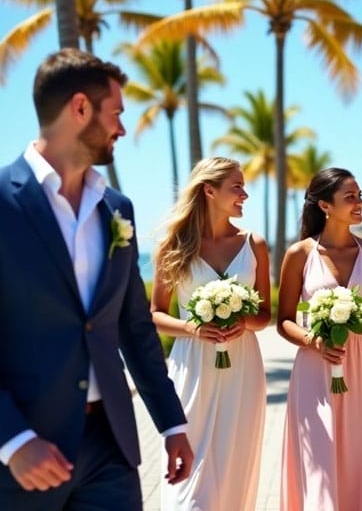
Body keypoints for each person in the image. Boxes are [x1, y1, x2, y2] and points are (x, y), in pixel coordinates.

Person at [0, 48, 193, 508]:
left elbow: (134, 326)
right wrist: (11, 440)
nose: (123, 128)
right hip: (25, 456)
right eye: (117, 113)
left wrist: (172, 424)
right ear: (80, 107)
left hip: (112, 448)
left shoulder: (117, 210)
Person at [150, 157, 271, 510]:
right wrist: (193, 328)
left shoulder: (255, 244)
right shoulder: (173, 246)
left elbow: (264, 314)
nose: (245, 195)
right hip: (192, 367)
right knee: (189, 478)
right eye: (237, 187)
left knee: (234, 463)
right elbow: (156, 314)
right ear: (209, 190)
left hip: (242, 367)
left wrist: (243, 323)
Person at [278, 167, 362, 510]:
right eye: (350, 197)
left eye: (360, 196)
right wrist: (316, 341)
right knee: (320, 470)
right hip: (315, 375)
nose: (360, 203)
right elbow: (283, 321)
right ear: (325, 206)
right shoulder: (299, 254)